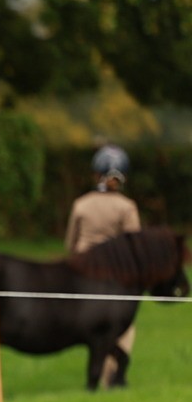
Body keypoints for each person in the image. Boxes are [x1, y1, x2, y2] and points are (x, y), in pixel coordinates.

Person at [65, 142, 141, 386]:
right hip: (114, 276)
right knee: (122, 325)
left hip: (83, 274)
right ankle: (113, 373)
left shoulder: (81, 204)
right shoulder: (127, 207)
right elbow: (133, 245)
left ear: (96, 174)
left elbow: (70, 243)